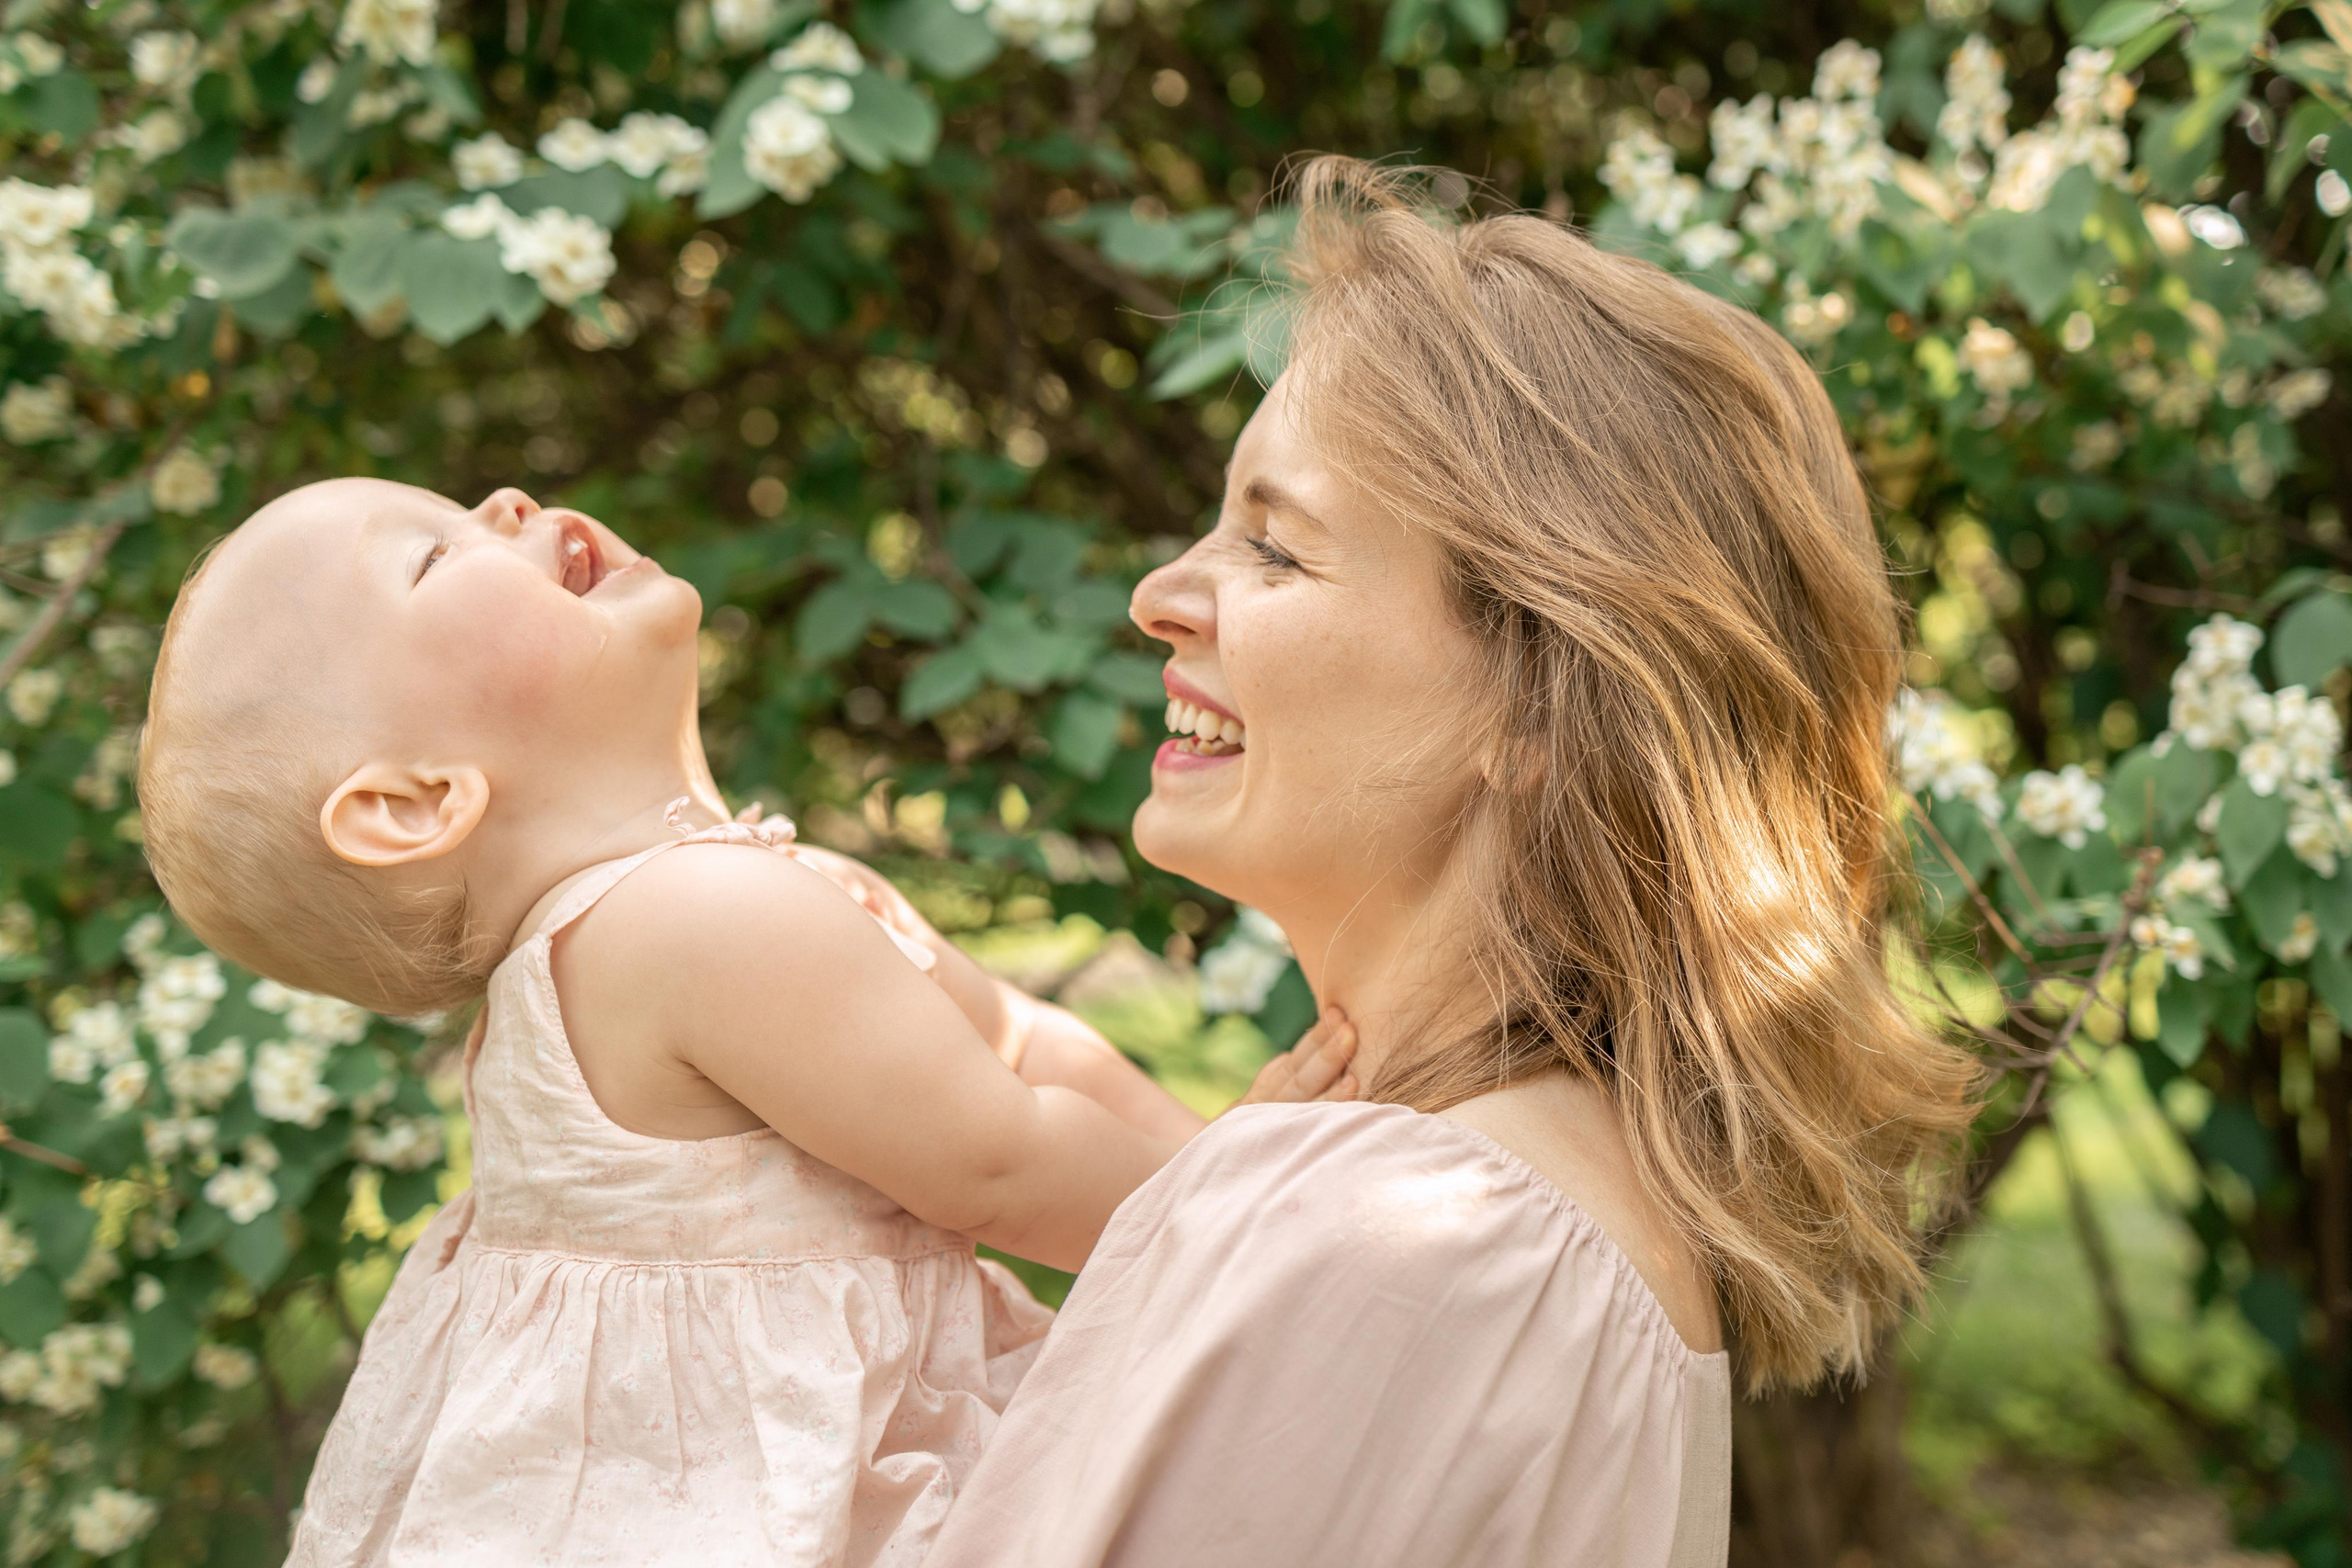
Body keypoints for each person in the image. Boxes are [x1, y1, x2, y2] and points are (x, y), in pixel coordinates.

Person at [919, 157, 1982, 1567]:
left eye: (1276, 551)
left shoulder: (1412, 1245)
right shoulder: (1477, 1215)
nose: (1162, 595)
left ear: (1537, 710)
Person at [133, 478, 1358, 1568]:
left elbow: (1024, 1048)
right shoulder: (688, 923)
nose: (503, 502)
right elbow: (995, 1161)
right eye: (433, 557)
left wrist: (1206, 1146)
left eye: (457, 504)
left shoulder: (744, 893)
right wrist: (1232, 1203)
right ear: (414, 804)